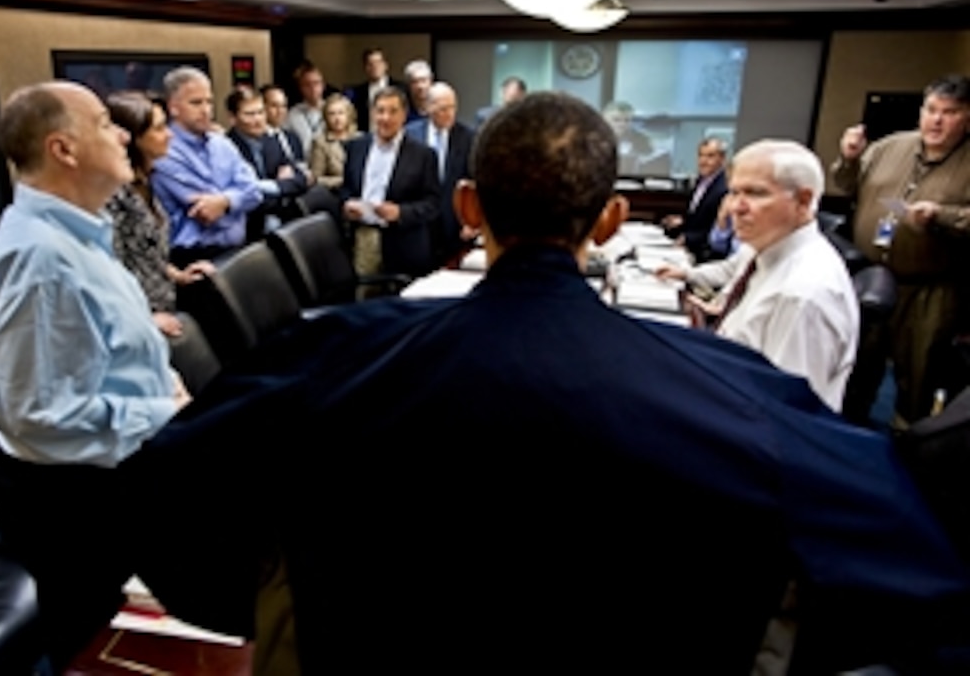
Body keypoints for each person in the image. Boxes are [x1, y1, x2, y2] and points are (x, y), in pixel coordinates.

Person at [170, 92, 970, 674]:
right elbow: (914, 577)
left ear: (467, 206)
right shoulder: (741, 393)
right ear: (613, 219)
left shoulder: (323, 357)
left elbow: (168, 513)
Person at [0, 81, 258, 667]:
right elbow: (39, 415)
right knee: (77, 641)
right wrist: (163, 410)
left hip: (108, 471)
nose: (122, 132)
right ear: (63, 150)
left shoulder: (81, 235)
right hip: (73, 500)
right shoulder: (40, 259)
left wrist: (157, 382)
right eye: (104, 122)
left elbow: (98, 354)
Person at [834, 73, 970, 427]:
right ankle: (850, 436)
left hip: (929, 287)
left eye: (950, 112)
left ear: (967, 117)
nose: (936, 120)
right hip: (872, 278)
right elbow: (847, 185)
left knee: (919, 373)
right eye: (931, 109)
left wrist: (943, 216)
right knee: (860, 364)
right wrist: (848, 159)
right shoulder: (890, 146)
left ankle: (910, 443)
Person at [715, 139, 859, 412]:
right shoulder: (765, 252)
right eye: (733, 192)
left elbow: (783, 416)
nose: (736, 207)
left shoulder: (802, 295)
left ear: (803, 201)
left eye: (755, 193)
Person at [104, 92, 214, 338]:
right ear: (133, 138)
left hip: (165, 304)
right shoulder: (112, 194)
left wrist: (178, 275)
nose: (170, 134)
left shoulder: (147, 179)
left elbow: (146, 251)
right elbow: (111, 268)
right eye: (160, 128)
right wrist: (143, 318)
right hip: (138, 321)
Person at [151, 66, 263, 266]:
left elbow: (255, 191)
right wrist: (237, 203)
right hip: (193, 258)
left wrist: (226, 202)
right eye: (196, 103)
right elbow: (210, 216)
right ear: (173, 107)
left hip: (236, 250)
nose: (206, 110)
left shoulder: (222, 143)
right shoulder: (164, 152)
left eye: (209, 102)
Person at [339, 86, 440, 280]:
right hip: (363, 238)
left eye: (393, 111)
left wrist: (401, 212)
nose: (385, 118)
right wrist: (346, 204)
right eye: (380, 111)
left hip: (404, 242)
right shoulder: (356, 147)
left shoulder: (423, 155)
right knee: (366, 302)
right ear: (372, 113)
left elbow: (433, 204)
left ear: (404, 115)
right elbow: (346, 188)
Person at [404, 81, 476, 265]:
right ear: (428, 107)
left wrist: (471, 221)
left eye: (453, 107)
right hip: (418, 222)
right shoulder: (410, 135)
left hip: (454, 223)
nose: (449, 113)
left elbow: (474, 180)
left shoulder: (468, 137)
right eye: (443, 108)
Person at [226, 87, 309, 241]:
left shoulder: (272, 140)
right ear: (232, 118)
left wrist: (268, 187)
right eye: (249, 114)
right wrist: (281, 187)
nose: (258, 119)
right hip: (249, 232)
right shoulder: (226, 148)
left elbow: (301, 180)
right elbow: (246, 198)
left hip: (283, 224)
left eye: (260, 112)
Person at [662, 138, 730, 261]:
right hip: (688, 244)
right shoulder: (701, 181)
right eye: (701, 155)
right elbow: (700, 217)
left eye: (710, 156)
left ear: (722, 159)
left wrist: (688, 239)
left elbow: (716, 229)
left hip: (705, 254)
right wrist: (682, 221)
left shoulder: (724, 188)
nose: (703, 161)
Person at [347, 47, 408, 135]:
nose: (375, 67)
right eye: (370, 64)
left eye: (378, 63)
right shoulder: (358, 92)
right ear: (365, 68)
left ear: (386, 65)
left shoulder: (401, 88)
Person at [308, 92, 359, 190]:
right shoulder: (320, 142)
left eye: (341, 113)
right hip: (335, 192)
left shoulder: (361, 138)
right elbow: (316, 178)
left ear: (349, 115)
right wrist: (343, 181)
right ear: (326, 118)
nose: (337, 118)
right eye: (332, 114)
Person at [286, 61, 327, 157]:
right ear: (300, 87)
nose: (313, 88)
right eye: (307, 85)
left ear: (323, 85)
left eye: (316, 83)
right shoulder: (292, 114)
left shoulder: (334, 111)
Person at [602, 100, 654, 175]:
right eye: (616, 120)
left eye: (627, 120)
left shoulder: (641, 139)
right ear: (605, 120)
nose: (622, 124)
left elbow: (649, 160)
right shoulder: (595, 137)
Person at [403, 58, 433, 123]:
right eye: (415, 82)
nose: (420, 86)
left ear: (430, 81)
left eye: (423, 81)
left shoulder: (438, 109)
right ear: (409, 85)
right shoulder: (403, 111)